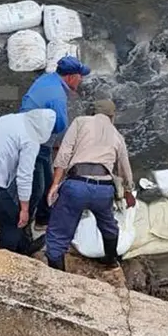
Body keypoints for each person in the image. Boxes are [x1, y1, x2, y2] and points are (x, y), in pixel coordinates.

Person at [44, 100, 135, 271]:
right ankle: (111, 260)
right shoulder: (117, 135)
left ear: (92, 112)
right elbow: (125, 168)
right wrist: (128, 192)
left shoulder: (80, 122)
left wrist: (55, 184)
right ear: (112, 116)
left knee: (58, 234)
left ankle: (57, 275)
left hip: (77, 185)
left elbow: (64, 154)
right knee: (108, 225)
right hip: (104, 190)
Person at [0, 108, 57, 255]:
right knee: (14, 220)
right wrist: (25, 209)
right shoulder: (31, 140)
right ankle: (5, 261)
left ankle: (24, 248)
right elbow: (24, 176)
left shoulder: (10, 119)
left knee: (8, 212)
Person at [19, 55, 91, 235]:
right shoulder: (58, 96)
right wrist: (63, 146)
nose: (81, 79)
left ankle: (43, 218)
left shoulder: (46, 79)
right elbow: (60, 125)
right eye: (79, 75)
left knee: (48, 179)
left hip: (25, 128)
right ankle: (24, 223)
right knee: (38, 185)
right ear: (70, 77)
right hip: (34, 141)